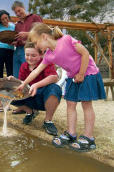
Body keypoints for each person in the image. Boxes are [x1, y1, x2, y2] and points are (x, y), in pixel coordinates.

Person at [17, 23, 106, 152]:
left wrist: (81, 73)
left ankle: (88, 138)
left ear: (44, 37)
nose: (36, 46)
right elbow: (35, 72)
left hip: (87, 73)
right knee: (70, 104)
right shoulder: (48, 55)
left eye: (36, 42)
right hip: (72, 76)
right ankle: (71, 133)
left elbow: (85, 53)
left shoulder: (66, 40)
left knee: (86, 104)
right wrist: (23, 84)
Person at [10, 42, 62, 135]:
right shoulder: (23, 66)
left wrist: (36, 85)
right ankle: (30, 112)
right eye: (27, 55)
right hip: (30, 96)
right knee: (10, 93)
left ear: (41, 54)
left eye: (33, 55)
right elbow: (22, 83)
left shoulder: (46, 63)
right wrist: (13, 80)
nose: (29, 58)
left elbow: (54, 77)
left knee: (55, 88)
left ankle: (48, 120)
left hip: (44, 96)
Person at [11, 0, 43, 78]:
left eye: (19, 10)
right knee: (16, 76)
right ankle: (18, 90)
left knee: (28, 75)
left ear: (24, 8)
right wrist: (12, 42)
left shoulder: (34, 17)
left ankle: (30, 90)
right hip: (17, 51)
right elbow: (17, 41)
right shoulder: (17, 25)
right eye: (16, 13)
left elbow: (43, 32)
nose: (18, 14)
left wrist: (27, 34)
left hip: (30, 50)